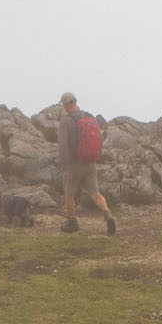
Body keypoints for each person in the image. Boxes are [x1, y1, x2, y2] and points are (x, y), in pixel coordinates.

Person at [56, 92, 117, 235]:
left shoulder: (66, 121)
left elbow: (63, 145)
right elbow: (99, 138)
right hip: (90, 162)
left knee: (69, 193)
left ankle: (72, 222)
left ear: (65, 105)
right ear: (75, 101)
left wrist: (65, 166)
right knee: (95, 193)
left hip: (74, 164)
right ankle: (107, 215)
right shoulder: (89, 116)